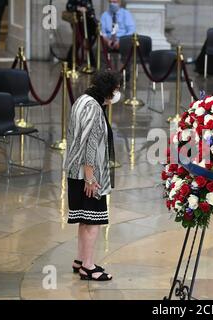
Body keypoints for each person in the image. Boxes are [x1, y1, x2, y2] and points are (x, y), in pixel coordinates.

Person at [65, 71, 121, 281]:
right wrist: (90, 176)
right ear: (108, 90)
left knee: (84, 219)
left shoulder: (82, 99)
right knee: (93, 222)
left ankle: (80, 259)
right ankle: (88, 267)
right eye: (115, 89)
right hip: (87, 175)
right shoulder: (95, 109)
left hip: (73, 170)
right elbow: (90, 142)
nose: (117, 94)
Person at [66, 0, 97, 65]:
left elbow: (90, 9)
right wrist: (78, 8)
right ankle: (70, 61)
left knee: (88, 43)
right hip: (78, 24)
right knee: (77, 42)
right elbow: (69, 6)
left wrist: (87, 10)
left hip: (88, 23)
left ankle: (91, 62)